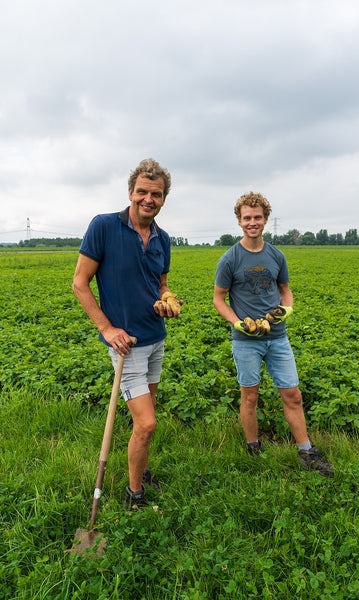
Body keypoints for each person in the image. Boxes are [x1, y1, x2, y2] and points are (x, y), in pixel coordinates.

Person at [73, 158, 182, 510]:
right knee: (147, 423)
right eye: (142, 192)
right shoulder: (104, 227)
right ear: (131, 192)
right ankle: (134, 493)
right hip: (127, 345)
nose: (149, 199)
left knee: (148, 413)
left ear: (164, 198)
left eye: (157, 194)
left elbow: (161, 284)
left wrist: (167, 300)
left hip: (156, 340)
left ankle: (143, 469)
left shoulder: (163, 239)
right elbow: (80, 283)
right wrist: (107, 328)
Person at [213, 191, 334, 477]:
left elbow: (284, 290)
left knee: (292, 395)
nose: (252, 222)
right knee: (250, 398)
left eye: (257, 217)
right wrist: (238, 323)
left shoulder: (276, 255)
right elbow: (219, 298)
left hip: (277, 337)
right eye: (247, 218)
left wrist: (287, 310)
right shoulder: (229, 259)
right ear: (239, 221)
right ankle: (253, 447)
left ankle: (306, 451)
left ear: (265, 219)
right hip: (246, 341)